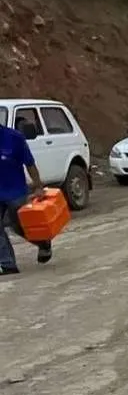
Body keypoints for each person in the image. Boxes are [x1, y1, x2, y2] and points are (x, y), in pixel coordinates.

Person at [0, 117, 53, 276]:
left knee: (19, 226)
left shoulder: (14, 138)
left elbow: (29, 163)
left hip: (15, 191)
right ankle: (7, 263)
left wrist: (38, 186)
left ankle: (43, 243)